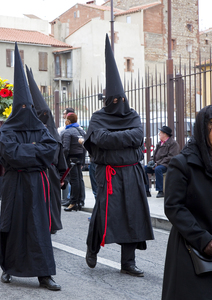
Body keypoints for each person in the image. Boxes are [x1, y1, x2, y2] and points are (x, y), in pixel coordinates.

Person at [82, 35, 154, 277]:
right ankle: (92, 248)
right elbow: (99, 138)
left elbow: (137, 136)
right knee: (103, 213)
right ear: (106, 101)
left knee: (132, 214)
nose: (117, 103)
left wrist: (113, 138)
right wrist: (121, 138)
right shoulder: (97, 117)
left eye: (120, 99)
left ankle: (128, 262)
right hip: (108, 173)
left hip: (132, 171)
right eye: (113, 100)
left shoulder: (132, 114)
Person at [0, 43, 60, 291]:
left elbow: (51, 150)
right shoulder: (7, 129)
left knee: (38, 228)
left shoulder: (41, 128)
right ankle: (8, 268)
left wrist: (28, 152)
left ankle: (44, 275)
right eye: (20, 108)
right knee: (12, 226)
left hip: (36, 183)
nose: (25, 111)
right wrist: (35, 151)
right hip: (15, 184)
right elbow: (10, 154)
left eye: (28, 108)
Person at [162, 105, 212, 300]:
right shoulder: (182, 163)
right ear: (202, 128)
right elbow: (174, 207)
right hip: (191, 250)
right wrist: (202, 238)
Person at [26, 65, 68, 234]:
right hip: (35, 171)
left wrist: (62, 175)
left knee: (52, 199)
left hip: (50, 172)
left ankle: (52, 225)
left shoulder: (52, 132)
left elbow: (60, 155)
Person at [144, 126, 180, 198]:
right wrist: (152, 162)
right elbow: (154, 155)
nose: (159, 134)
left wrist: (158, 163)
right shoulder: (159, 143)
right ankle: (146, 190)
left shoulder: (173, 144)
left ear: (165, 134)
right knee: (144, 168)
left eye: (160, 133)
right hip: (158, 164)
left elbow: (171, 157)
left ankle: (160, 191)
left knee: (158, 169)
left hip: (167, 165)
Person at [61, 112, 86, 211]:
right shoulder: (81, 131)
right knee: (79, 180)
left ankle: (73, 202)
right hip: (79, 158)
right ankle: (79, 201)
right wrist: (83, 161)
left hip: (70, 159)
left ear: (68, 121)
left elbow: (66, 148)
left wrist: (63, 160)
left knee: (74, 180)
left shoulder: (67, 132)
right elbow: (85, 147)